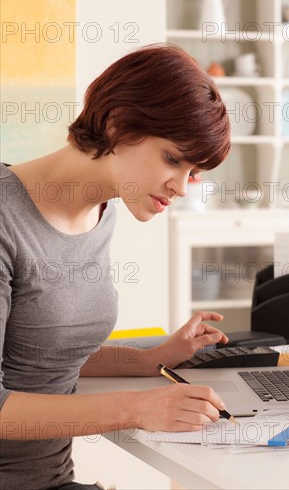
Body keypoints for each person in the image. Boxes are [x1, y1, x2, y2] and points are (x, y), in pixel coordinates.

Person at [0, 43, 231, 490]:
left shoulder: (102, 211)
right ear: (119, 124)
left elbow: (39, 356)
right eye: (173, 159)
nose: (181, 188)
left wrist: (152, 360)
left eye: (193, 171)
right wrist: (137, 409)